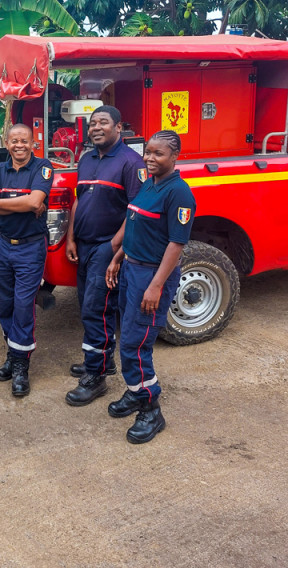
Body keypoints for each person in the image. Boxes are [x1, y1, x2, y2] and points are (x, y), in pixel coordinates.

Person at [105, 130, 196, 444]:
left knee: (135, 344)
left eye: (158, 154)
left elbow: (176, 244)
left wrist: (156, 287)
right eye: (148, 152)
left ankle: (151, 409)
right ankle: (135, 392)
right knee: (128, 335)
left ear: (175, 157)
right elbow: (134, 224)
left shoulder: (179, 193)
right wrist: (118, 257)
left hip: (152, 277)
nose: (150, 158)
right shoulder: (149, 183)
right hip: (131, 269)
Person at [64, 106, 145, 407]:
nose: (96, 127)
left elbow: (136, 212)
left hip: (105, 247)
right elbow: (78, 201)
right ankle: (102, 361)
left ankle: (95, 377)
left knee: (95, 310)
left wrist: (114, 247)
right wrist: (71, 237)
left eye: (104, 123)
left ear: (118, 127)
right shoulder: (86, 159)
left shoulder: (130, 162)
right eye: (93, 123)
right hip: (83, 245)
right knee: (90, 305)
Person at [0, 123, 54, 397]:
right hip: (2, 246)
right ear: (6, 143)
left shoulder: (42, 167)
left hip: (30, 248)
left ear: (33, 142)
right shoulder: (0, 170)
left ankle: (21, 367)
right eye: (14, 141)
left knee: (24, 306)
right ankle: (13, 355)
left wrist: (5, 203)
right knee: (4, 304)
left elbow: (35, 203)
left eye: (24, 140)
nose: (19, 145)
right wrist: (24, 203)